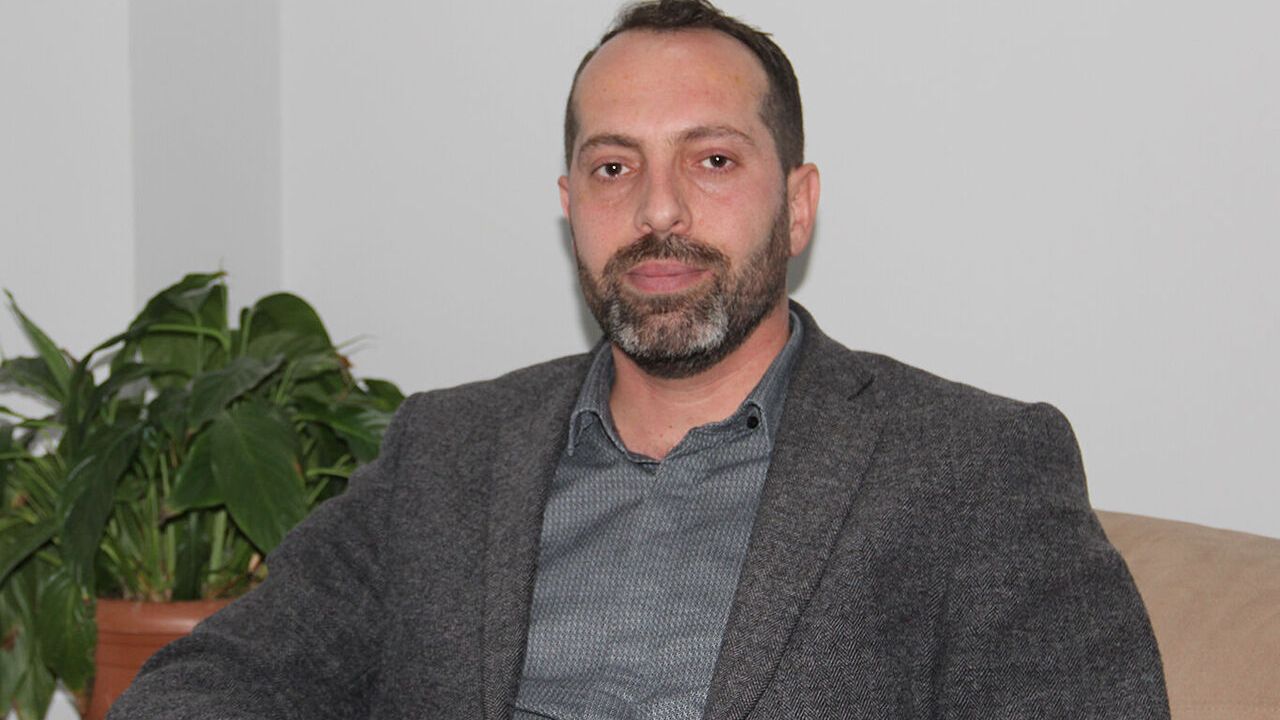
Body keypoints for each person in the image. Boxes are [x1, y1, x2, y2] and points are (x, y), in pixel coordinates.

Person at [110, 1, 1169, 718]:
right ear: (570, 206)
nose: (658, 211)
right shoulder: (446, 451)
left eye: (712, 160)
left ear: (796, 205)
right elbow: (208, 685)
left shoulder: (973, 466)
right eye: (613, 168)